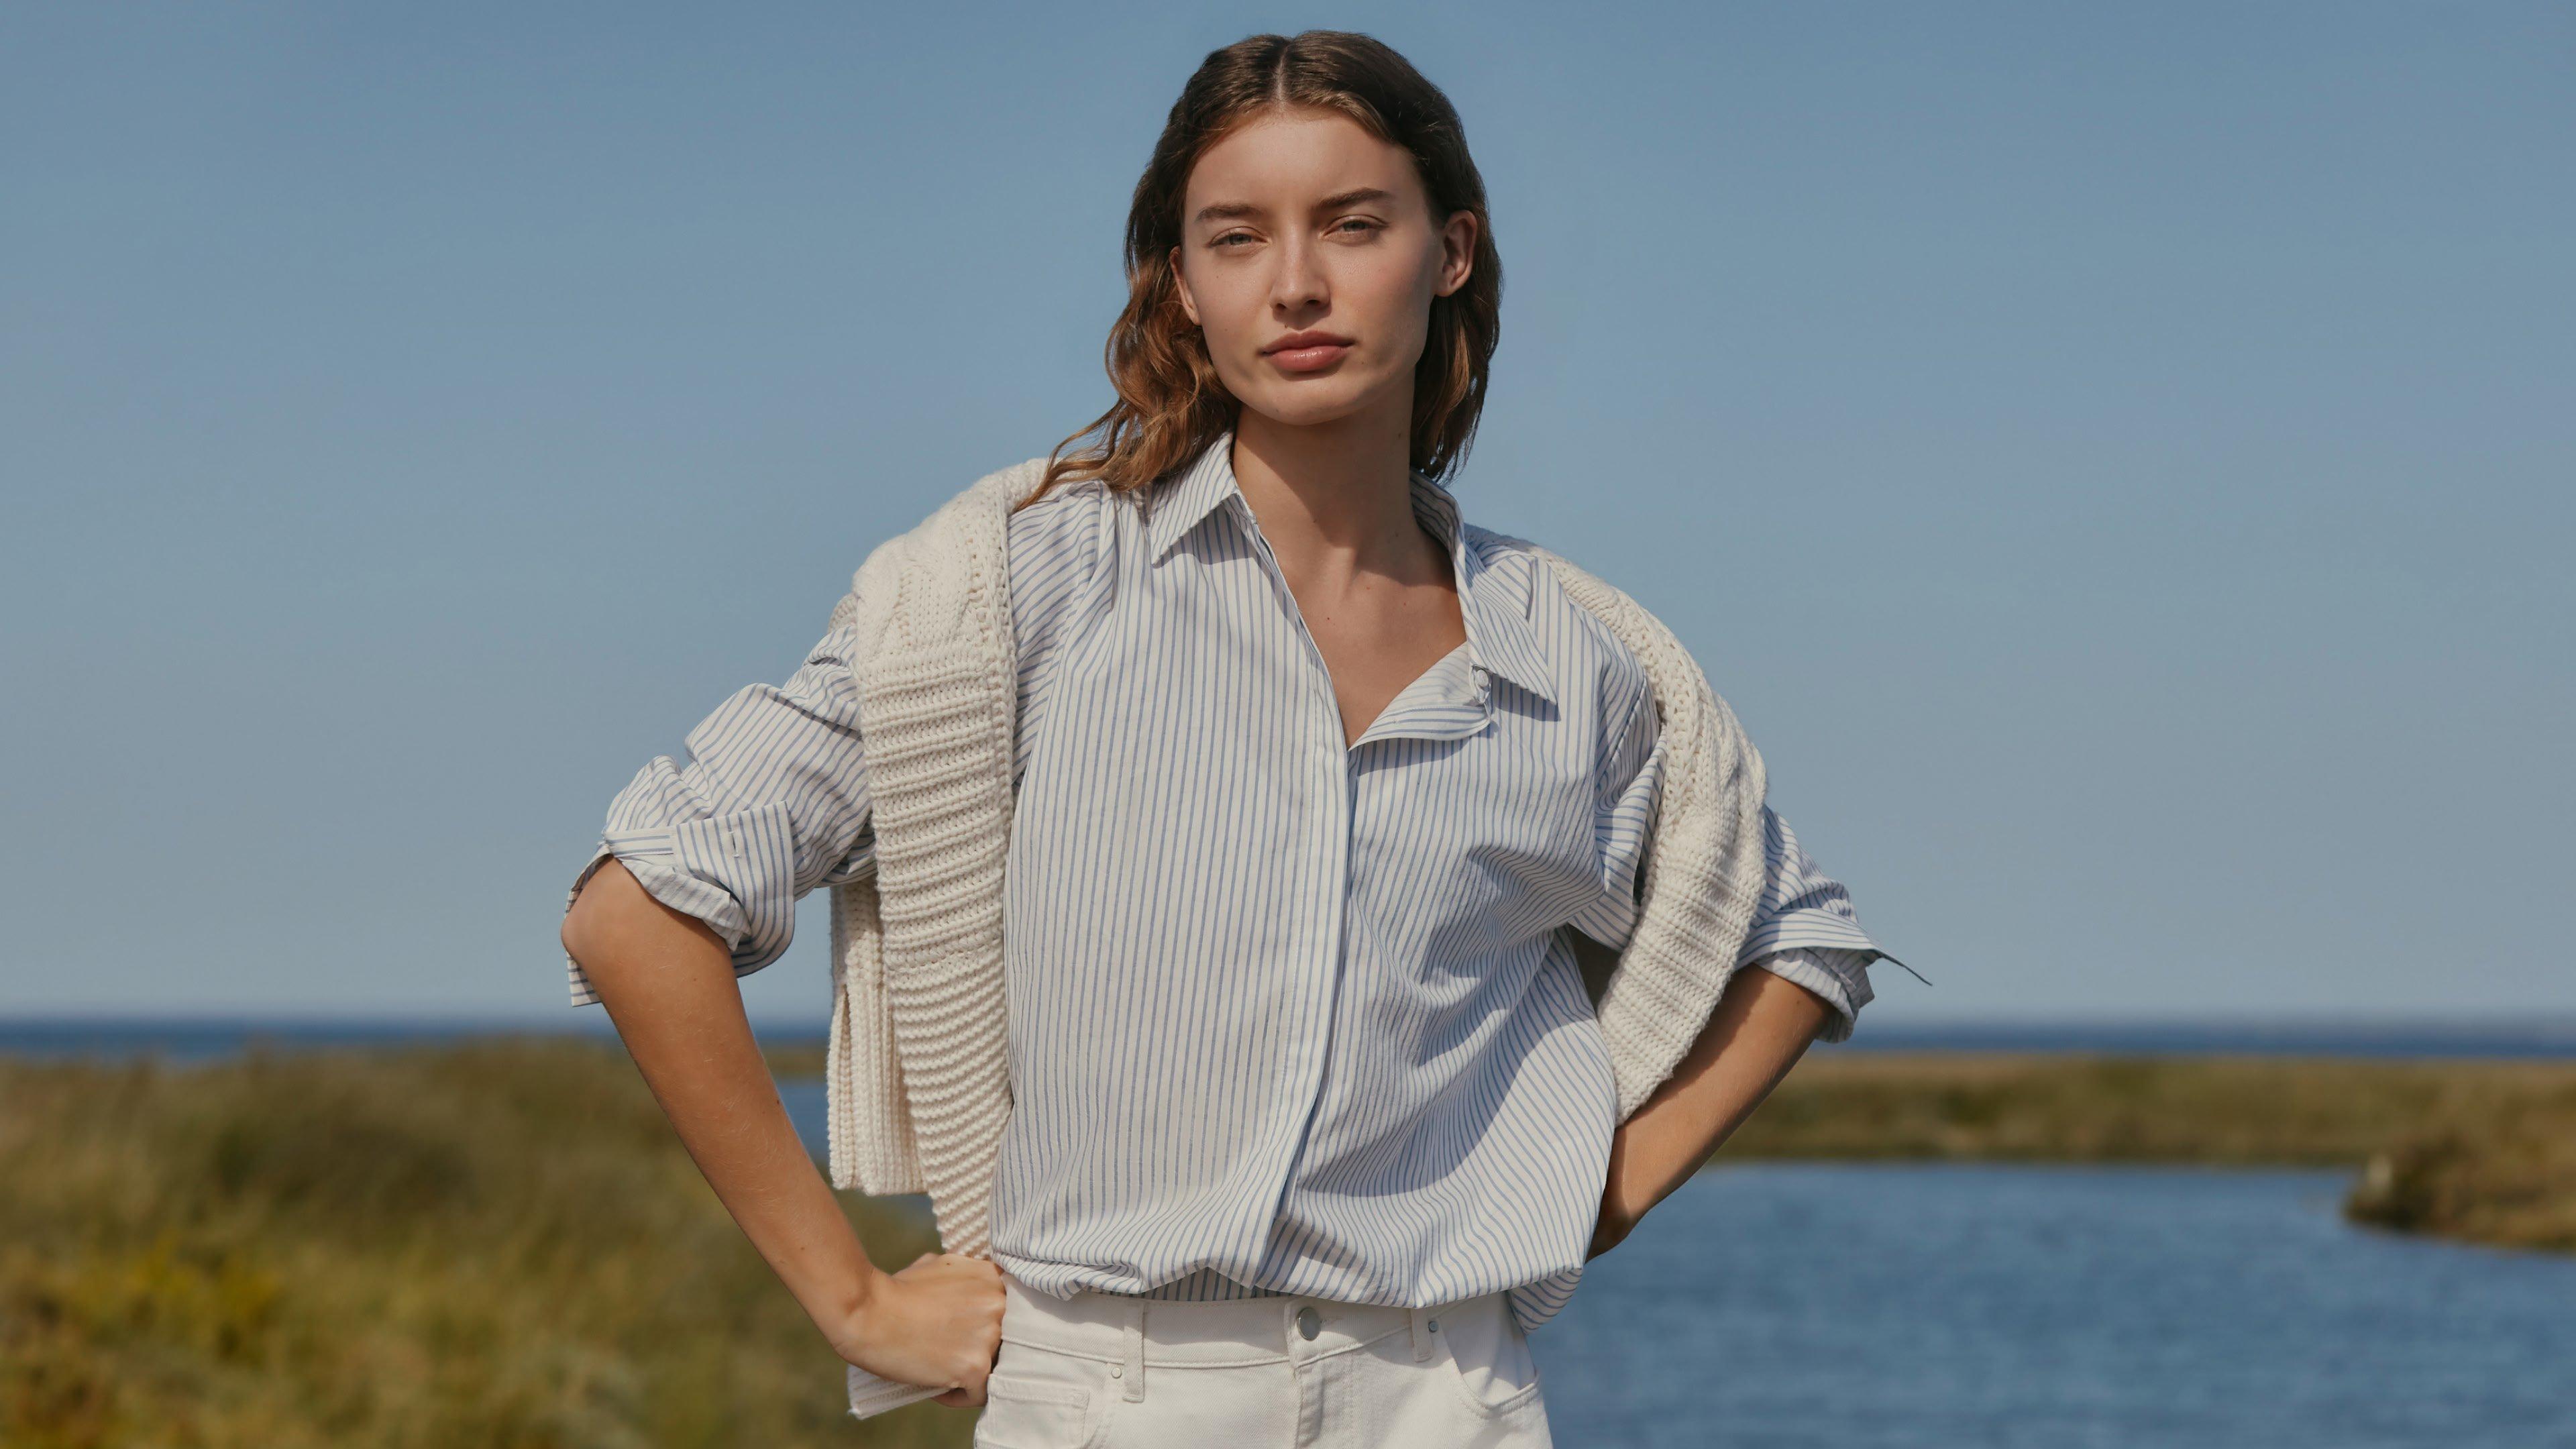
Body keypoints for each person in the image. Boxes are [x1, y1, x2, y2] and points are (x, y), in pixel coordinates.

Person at [559, 30, 1900, 1448]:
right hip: (1111, 1393)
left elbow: (1796, 937)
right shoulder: (1018, 589)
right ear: (1185, 286)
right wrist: (853, 1300)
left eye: (1353, 224)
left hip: (1447, 1398)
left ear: (1450, 252)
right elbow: (637, 908)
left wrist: (1591, 1196)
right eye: (1238, 237)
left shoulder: (1580, 659)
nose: (1296, 283)